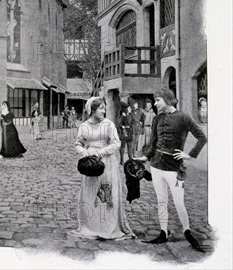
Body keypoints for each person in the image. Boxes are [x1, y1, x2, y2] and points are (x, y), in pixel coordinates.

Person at [135, 88, 207, 252]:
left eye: (157, 100)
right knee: (161, 201)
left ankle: (187, 232)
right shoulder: (157, 119)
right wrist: (146, 158)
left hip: (174, 168)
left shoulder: (183, 117)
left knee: (179, 202)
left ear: (167, 99)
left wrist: (189, 155)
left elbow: (202, 137)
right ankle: (163, 233)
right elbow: (153, 142)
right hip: (156, 166)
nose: (155, 103)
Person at [68, 97, 134, 240]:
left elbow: (116, 144)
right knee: (91, 193)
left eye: (104, 107)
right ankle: (91, 226)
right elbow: (78, 143)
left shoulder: (108, 125)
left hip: (108, 163)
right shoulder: (84, 126)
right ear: (92, 110)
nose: (104, 110)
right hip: (91, 164)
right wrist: (84, 152)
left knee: (106, 193)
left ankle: (108, 227)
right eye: (101, 108)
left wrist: (101, 152)